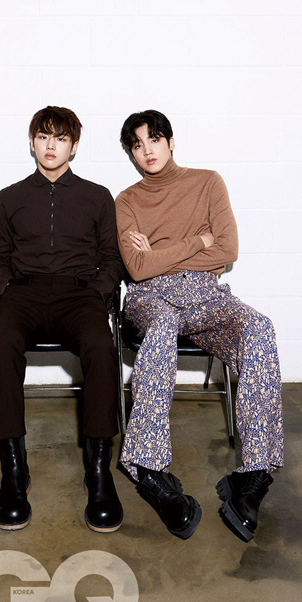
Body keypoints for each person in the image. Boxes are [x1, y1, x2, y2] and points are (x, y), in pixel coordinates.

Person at [116, 109, 283, 542]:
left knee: (259, 328)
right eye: (137, 144)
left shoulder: (208, 182)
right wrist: (196, 242)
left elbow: (227, 250)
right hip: (151, 297)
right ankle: (150, 470)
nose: (147, 150)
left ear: (171, 142)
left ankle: (254, 475)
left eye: (154, 139)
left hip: (205, 295)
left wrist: (161, 253)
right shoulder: (127, 201)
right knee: (161, 327)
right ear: (132, 154)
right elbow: (137, 269)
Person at [0, 105, 124, 532]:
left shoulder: (97, 196)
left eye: (60, 138)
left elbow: (111, 257)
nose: (51, 145)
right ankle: (14, 469)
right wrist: (5, 289)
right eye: (44, 137)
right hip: (23, 293)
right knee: (2, 343)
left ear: (74, 147)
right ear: (32, 143)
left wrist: (98, 292)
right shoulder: (10, 197)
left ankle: (98, 471)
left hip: (78, 294)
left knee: (101, 346)